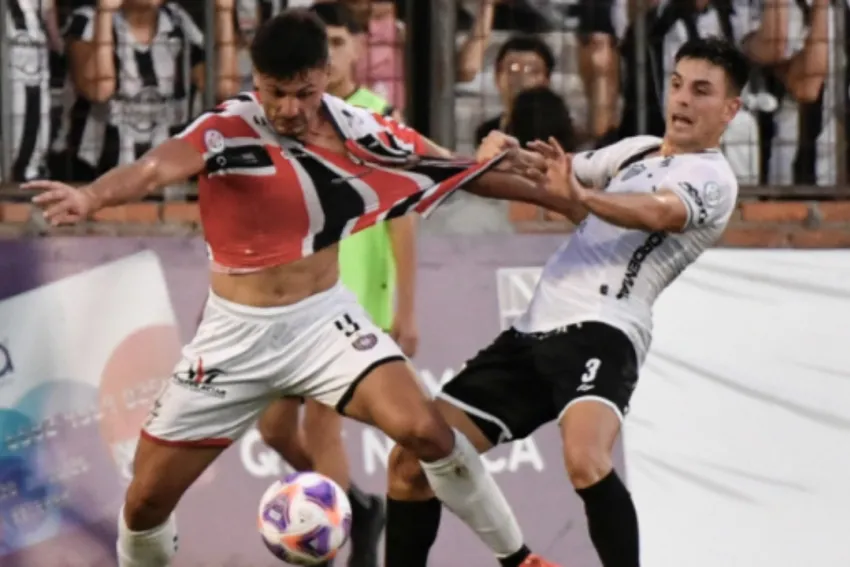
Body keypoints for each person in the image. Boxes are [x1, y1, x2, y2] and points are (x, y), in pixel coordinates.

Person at [26, 9, 568, 567]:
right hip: (234, 340)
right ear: (255, 79)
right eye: (275, 93)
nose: (288, 109)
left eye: (303, 93)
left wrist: (561, 195)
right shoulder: (225, 127)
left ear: (326, 74)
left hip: (322, 324)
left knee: (429, 433)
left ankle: (519, 558)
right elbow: (151, 170)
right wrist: (90, 197)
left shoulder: (361, 131)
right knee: (144, 502)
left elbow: (452, 171)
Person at [384, 36, 748, 567]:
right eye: (677, 85)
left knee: (585, 458)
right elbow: (556, 171)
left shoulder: (713, 178)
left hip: (605, 330)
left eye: (701, 90)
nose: (684, 100)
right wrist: (509, 153)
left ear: (731, 109)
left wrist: (582, 196)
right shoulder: (637, 150)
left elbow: (658, 212)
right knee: (411, 462)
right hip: (533, 332)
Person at [254, 4, 411, 566]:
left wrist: (407, 307)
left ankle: (334, 548)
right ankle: (358, 508)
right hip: (294, 297)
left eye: (343, 42)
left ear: (360, 48)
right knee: (274, 429)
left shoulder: (375, 117)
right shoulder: (285, 118)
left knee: (323, 425)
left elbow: (403, 217)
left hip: (354, 295)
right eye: (330, 44)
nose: (337, 54)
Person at [49, 0, 237, 182]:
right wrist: (105, 15)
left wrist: (224, 13)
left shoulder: (178, 21)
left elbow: (224, 89)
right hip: (96, 172)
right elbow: (99, 90)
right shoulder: (87, 20)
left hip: (165, 174)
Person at [474, 34, 555, 146]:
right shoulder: (486, 133)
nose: (521, 78)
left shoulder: (558, 132)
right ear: (497, 76)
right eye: (513, 69)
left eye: (532, 71)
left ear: (547, 79)